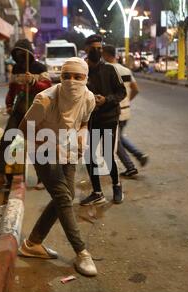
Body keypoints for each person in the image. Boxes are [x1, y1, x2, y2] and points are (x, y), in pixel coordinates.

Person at [18, 57, 98, 277]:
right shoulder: (44, 100)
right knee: (63, 197)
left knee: (68, 194)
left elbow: (83, 122)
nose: (72, 81)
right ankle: (81, 252)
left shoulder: (89, 98)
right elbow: (24, 129)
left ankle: (32, 243)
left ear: (86, 78)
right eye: (66, 76)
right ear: (60, 77)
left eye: (78, 77)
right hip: (43, 149)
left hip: (69, 149)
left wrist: (82, 136)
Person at [0, 39, 52, 190]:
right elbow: (12, 90)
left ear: (29, 53)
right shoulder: (16, 68)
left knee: (38, 145)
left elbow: (47, 86)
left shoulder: (39, 67)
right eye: (17, 53)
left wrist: (33, 82)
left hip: (35, 111)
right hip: (19, 111)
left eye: (22, 53)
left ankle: (42, 178)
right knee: (6, 141)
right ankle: (1, 176)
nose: (20, 56)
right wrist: (9, 104)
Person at [80, 34, 126, 206]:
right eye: (94, 48)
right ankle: (97, 192)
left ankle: (117, 185)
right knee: (89, 156)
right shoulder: (81, 72)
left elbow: (122, 93)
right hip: (90, 120)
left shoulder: (110, 70)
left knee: (107, 155)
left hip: (108, 118)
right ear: (86, 49)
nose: (98, 51)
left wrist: (106, 100)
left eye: (100, 48)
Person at [102, 45, 148, 177]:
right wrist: (127, 101)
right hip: (126, 111)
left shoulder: (107, 71)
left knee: (114, 141)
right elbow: (135, 89)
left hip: (114, 112)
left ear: (105, 54)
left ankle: (130, 167)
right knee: (118, 138)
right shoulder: (126, 70)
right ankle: (139, 155)